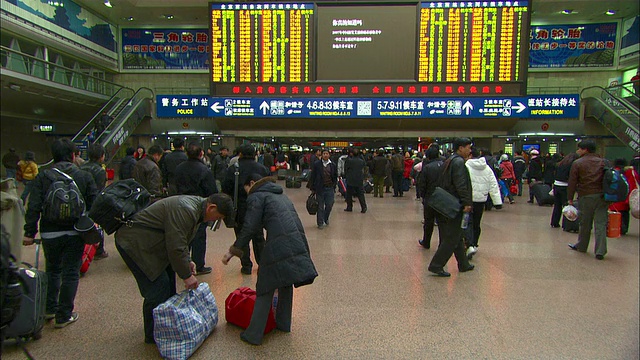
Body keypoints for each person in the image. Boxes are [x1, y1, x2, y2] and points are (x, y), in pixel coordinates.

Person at [115, 193, 233, 344]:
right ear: (212, 207)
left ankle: (164, 325)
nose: (217, 221)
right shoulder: (186, 210)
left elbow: (181, 240)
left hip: (152, 244)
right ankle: (153, 336)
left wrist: (188, 261)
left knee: (169, 284)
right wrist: (186, 275)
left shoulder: (197, 211)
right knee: (158, 287)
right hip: (134, 243)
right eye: (218, 217)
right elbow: (176, 247)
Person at [222, 174, 318, 345]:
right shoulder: (279, 194)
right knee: (285, 281)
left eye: (246, 189)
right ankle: (283, 324)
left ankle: (253, 335)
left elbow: (250, 226)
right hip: (297, 241)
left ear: (251, 183)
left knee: (265, 287)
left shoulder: (256, 195)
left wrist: (233, 250)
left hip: (279, 243)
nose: (247, 193)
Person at [22, 138, 98, 328]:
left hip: (49, 233)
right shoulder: (83, 176)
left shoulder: (43, 176)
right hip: (75, 232)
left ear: (53, 157)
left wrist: (30, 232)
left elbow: (34, 206)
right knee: (71, 272)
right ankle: (64, 315)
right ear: (73, 155)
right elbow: (95, 204)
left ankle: (49, 309)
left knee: (53, 270)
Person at [428, 138, 475, 277]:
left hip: (447, 201)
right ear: (460, 148)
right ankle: (436, 265)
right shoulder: (459, 162)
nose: (470, 150)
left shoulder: (449, 160)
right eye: (468, 147)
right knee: (452, 238)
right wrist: (467, 202)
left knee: (457, 234)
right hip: (455, 203)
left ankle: (463, 263)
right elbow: (461, 184)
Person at [222, 144, 270, 275]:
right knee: (259, 237)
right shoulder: (262, 168)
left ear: (240, 154)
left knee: (241, 236)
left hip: (240, 209)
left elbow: (226, 189)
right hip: (258, 208)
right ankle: (262, 264)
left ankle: (246, 266)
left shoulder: (233, 169)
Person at [174, 142, 218, 275]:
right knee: (199, 235)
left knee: (183, 235)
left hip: (181, 203)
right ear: (201, 154)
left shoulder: (179, 168)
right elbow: (212, 190)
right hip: (199, 205)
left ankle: (183, 263)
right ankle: (199, 264)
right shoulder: (204, 169)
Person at [567, 139, 608, 260]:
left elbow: (572, 182)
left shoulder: (578, 163)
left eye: (579, 148)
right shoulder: (603, 162)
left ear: (585, 150)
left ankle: (582, 245)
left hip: (586, 195)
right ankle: (600, 250)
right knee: (601, 223)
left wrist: (570, 198)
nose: (577, 151)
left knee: (585, 223)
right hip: (602, 196)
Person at [465, 147, 503, 258]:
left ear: (470, 155)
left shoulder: (466, 166)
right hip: (481, 200)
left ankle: (469, 244)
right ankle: (475, 244)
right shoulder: (486, 168)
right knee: (477, 223)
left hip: (468, 200)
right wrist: (497, 202)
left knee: (467, 222)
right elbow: (493, 184)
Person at [80, 144, 109, 259]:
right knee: (98, 226)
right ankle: (99, 250)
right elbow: (100, 190)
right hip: (94, 202)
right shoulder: (100, 171)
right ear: (101, 156)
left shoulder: (81, 168)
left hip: (82, 201)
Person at [416, 145, 444, 249]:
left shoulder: (427, 167)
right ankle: (442, 244)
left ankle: (426, 241)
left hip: (430, 197)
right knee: (442, 222)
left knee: (428, 222)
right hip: (443, 197)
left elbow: (422, 184)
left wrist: (423, 196)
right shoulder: (445, 165)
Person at [608, 158, 639, 235]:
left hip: (614, 197)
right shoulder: (630, 171)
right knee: (625, 213)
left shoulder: (612, 172)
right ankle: (624, 228)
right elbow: (634, 183)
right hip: (626, 196)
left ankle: (615, 227)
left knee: (614, 212)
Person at [309, 149, 337, 229]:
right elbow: (313, 176)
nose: (325, 155)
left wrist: (334, 185)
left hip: (330, 188)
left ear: (329, 155)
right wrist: (313, 187)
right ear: (321, 155)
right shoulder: (317, 164)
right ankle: (320, 222)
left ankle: (326, 217)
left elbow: (334, 176)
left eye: (327, 153)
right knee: (320, 206)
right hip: (320, 188)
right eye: (324, 153)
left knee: (329, 204)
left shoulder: (332, 165)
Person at [550, 153, 578, 228]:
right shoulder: (572, 165)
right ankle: (566, 225)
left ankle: (554, 222)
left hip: (556, 185)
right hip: (565, 186)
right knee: (566, 206)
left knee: (557, 205)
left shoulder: (560, 164)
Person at [344, 148, 367, 213]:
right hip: (359, 179)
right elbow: (364, 169)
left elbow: (346, 169)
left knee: (349, 194)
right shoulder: (361, 161)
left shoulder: (348, 160)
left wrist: (346, 176)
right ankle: (363, 207)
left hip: (350, 179)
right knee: (360, 194)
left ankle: (349, 207)